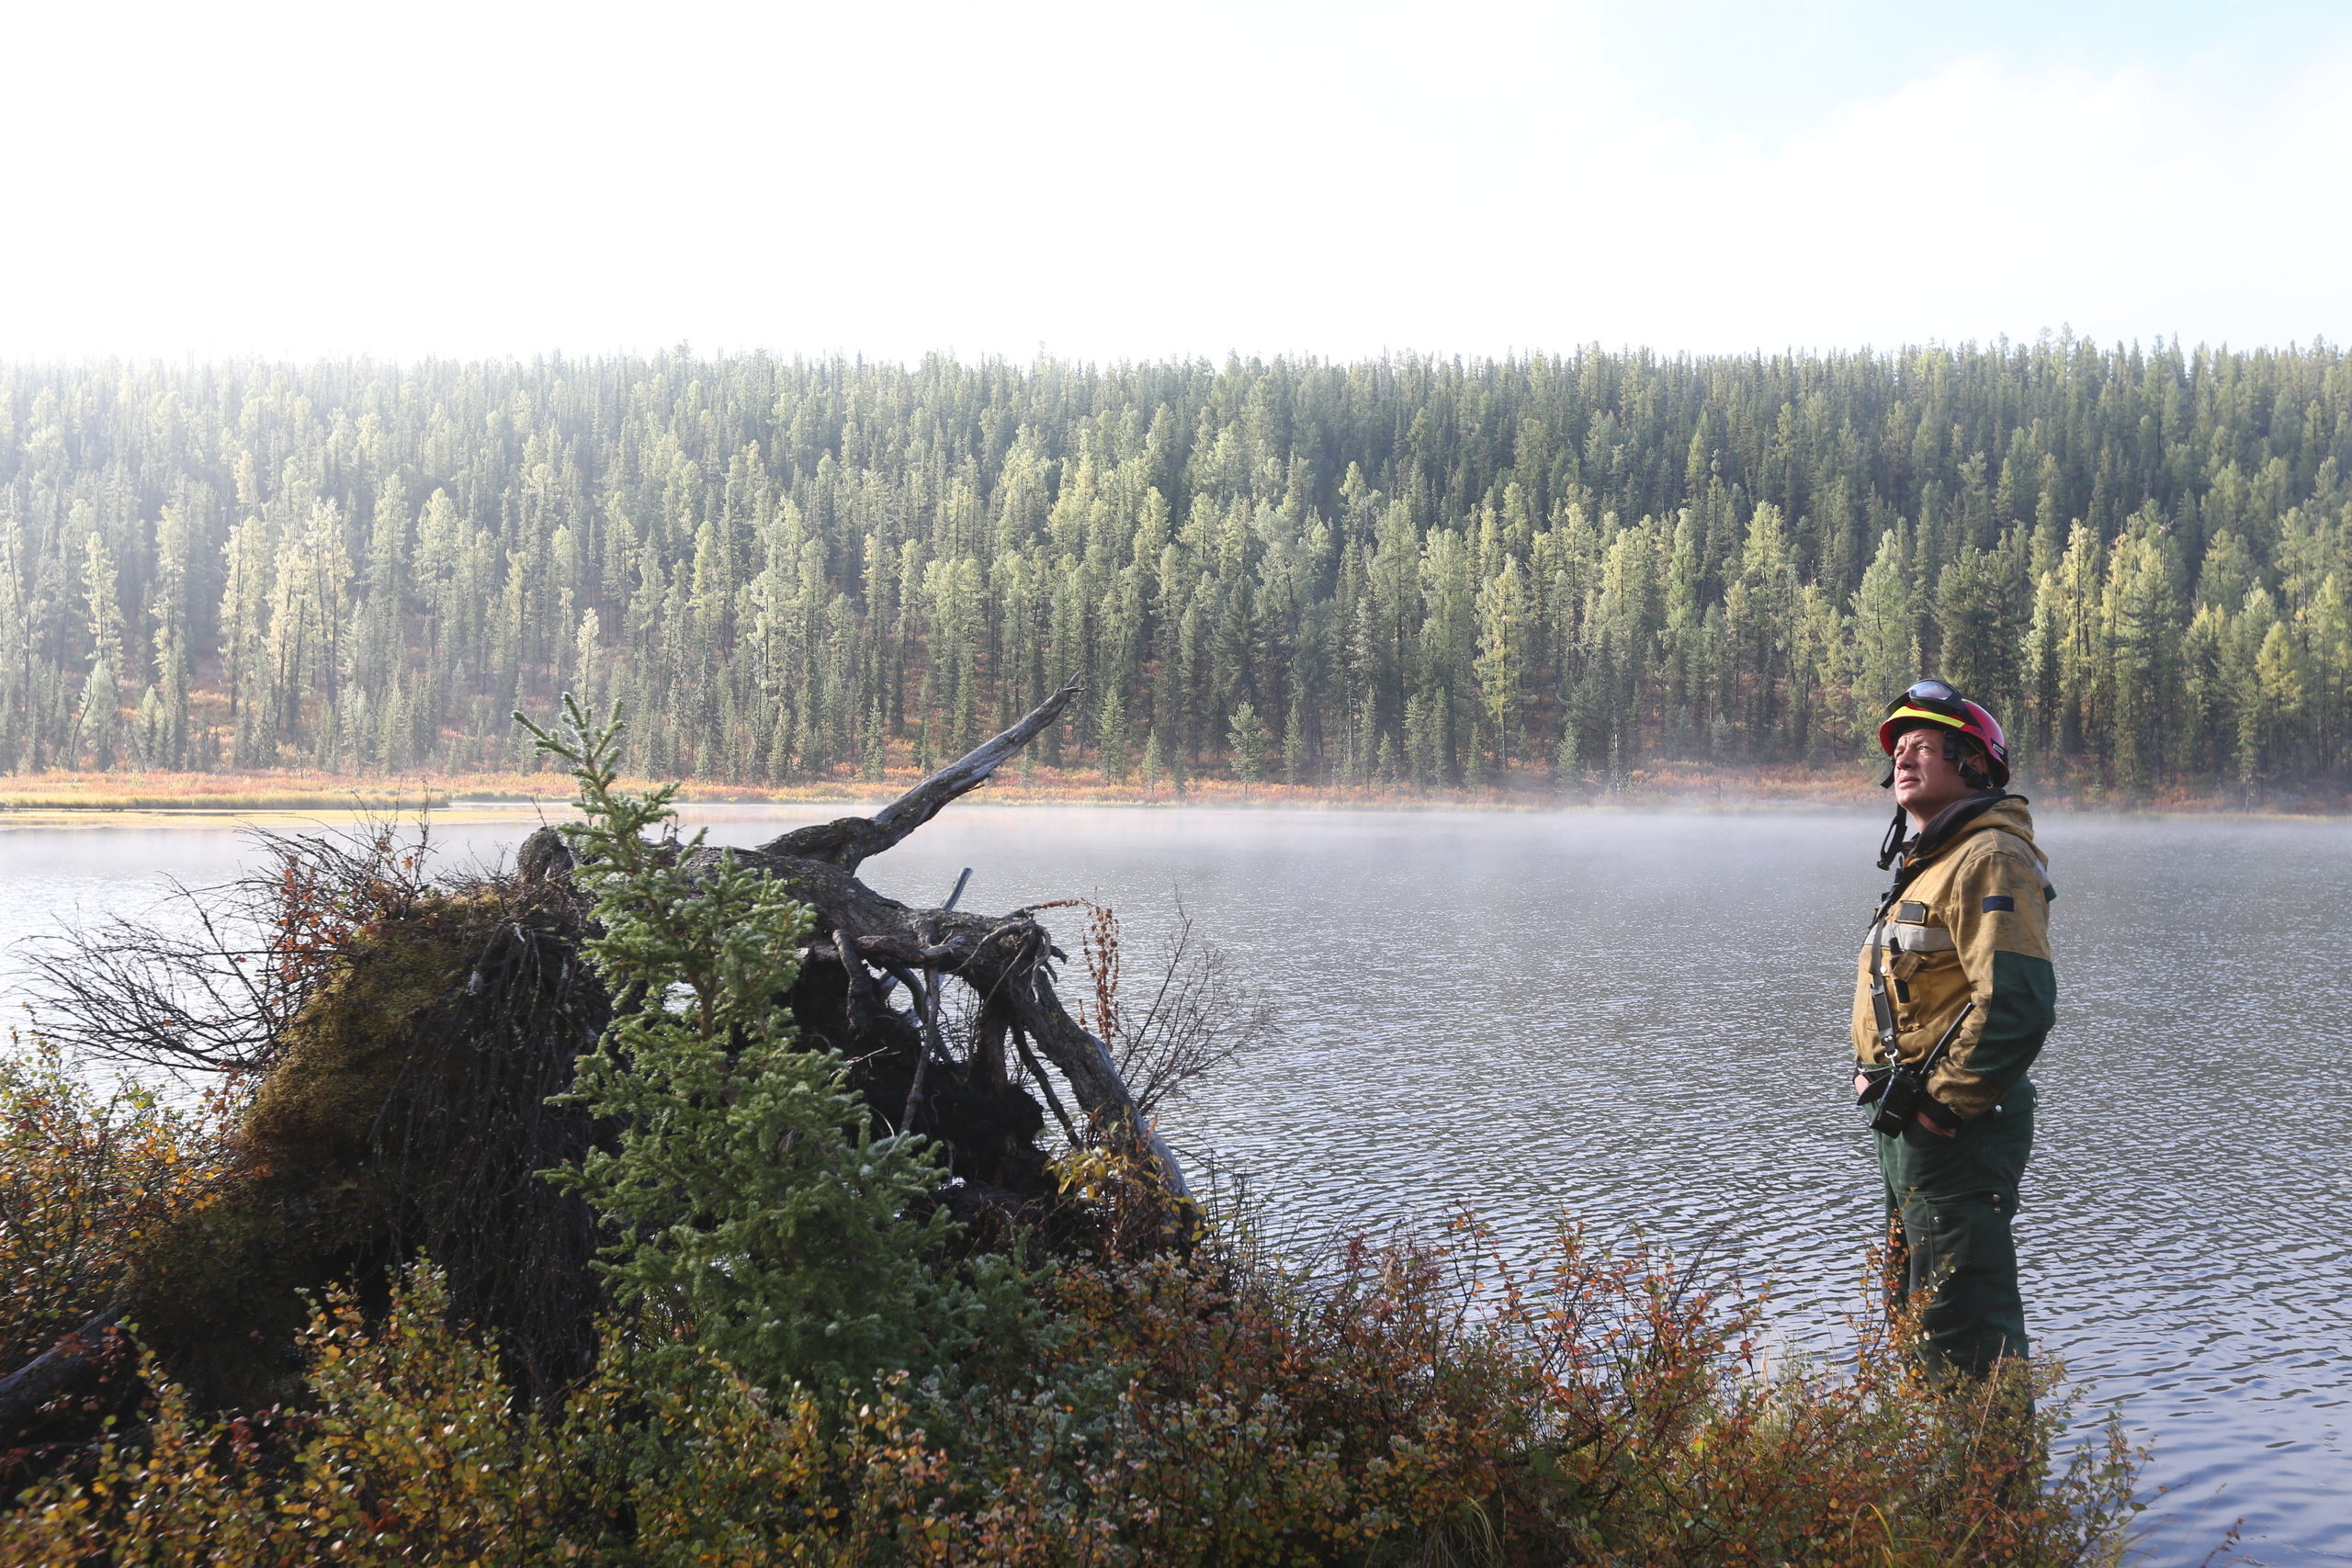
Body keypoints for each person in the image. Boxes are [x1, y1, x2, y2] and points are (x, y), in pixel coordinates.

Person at [1852, 679, 2055, 1378]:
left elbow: (2020, 1001)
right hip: (1906, 1128)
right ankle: (1940, 1483)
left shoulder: (1988, 857)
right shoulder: (1932, 863)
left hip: (1954, 1134)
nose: (1903, 761)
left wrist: (1943, 1104)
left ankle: (1995, 1487)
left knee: (1964, 1333)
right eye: (1898, 750)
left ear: (1973, 764)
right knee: (1916, 1318)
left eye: (1924, 748)